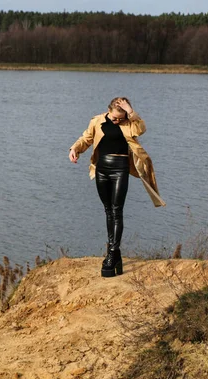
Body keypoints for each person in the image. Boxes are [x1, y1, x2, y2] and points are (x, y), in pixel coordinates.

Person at [69, 97, 166, 278]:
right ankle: (115, 253)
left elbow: (142, 128)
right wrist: (74, 149)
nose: (117, 121)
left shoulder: (131, 123)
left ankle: (112, 253)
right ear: (108, 111)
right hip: (102, 169)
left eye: (120, 118)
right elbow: (86, 139)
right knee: (108, 210)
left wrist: (130, 111)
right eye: (114, 118)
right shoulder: (97, 121)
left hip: (120, 168)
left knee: (117, 209)